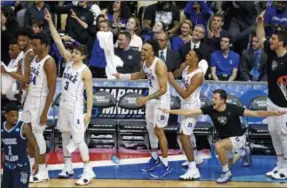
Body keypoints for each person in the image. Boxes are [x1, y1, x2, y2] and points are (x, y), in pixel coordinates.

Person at [159, 89, 287, 183]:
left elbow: (257, 114)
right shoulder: (211, 109)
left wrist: (274, 113)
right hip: (226, 140)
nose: (212, 100)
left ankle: (226, 173)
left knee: (218, 146)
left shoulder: (233, 108)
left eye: (215, 98)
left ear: (222, 100)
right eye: (212, 98)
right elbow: (189, 111)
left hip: (239, 138)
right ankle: (244, 152)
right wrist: (170, 111)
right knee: (228, 161)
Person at [45, 9, 95, 185]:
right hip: (64, 106)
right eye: (72, 52)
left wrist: (88, 113)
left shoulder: (85, 71)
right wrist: (50, 21)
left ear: (83, 56)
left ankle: (88, 170)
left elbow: (90, 94)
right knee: (65, 136)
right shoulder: (68, 61)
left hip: (76, 107)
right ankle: (68, 167)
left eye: (76, 53)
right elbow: (57, 40)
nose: (73, 54)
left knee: (79, 139)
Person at [113, 39, 171, 178]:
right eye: (142, 49)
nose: (142, 51)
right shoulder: (145, 63)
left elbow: (163, 89)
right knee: (150, 129)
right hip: (151, 100)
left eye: (145, 50)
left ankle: (166, 164)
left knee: (159, 131)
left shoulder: (159, 65)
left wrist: (146, 98)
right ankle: (155, 157)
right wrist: (122, 76)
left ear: (152, 52)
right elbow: (139, 75)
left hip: (161, 101)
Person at [256, 13, 287, 180]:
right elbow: (261, 38)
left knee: (284, 135)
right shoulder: (271, 52)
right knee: (273, 132)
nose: (270, 41)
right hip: (272, 101)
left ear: (281, 43)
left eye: (273, 39)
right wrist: (259, 23)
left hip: (285, 106)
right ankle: (280, 163)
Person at [167, 49, 204, 180]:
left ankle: (193, 169)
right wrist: (171, 72)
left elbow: (185, 94)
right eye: (187, 53)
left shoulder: (198, 75)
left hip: (192, 109)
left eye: (190, 55)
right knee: (188, 134)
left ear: (196, 59)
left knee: (184, 136)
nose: (187, 56)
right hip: (184, 106)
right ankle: (197, 158)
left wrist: (172, 82)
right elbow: (176, 74)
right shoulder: (185, 66)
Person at [1, 103, 40, 188]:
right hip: (7, 167)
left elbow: (35, 146)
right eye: (12, 115)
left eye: (17, 115)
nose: (15, 118)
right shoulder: (1, 127)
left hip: (22, 167)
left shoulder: (24, 127)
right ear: (6, 115)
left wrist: (36, 163)